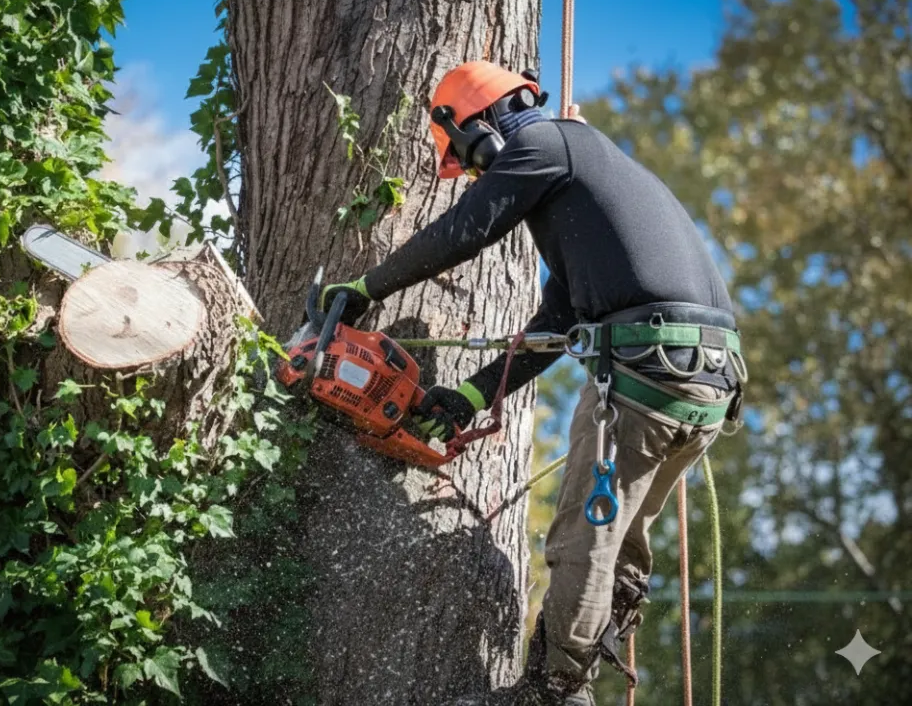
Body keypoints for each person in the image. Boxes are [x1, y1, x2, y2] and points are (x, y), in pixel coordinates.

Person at [318, 61, 746, 705]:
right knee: (619, 543)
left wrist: (365, 288)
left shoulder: (548, 143)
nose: (484, 176)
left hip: (646, 374)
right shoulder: (589, 181)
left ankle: (553, 694)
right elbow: (556, 322)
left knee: (582, 539)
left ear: (482, 129)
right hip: (704, 387)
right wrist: (472, 395)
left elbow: (465, 230)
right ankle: (576, 675)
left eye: (474, 161)